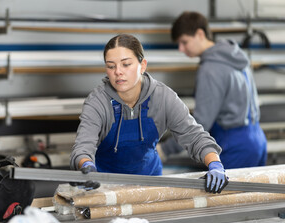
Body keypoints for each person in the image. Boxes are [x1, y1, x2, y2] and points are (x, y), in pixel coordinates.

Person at [70, 34, 228, 193]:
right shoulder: (97, 102)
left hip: (150, 182)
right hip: (104, 185)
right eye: (111, 66)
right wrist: (87, 168)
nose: (118, 72)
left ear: (142, 65)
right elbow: (83, 147)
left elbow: (194, 136)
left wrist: (215, 164)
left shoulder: (163, 97)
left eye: (126, 64)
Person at [158, 11, 267, 169]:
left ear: (200, 34)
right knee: (256, 194)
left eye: (184, 42)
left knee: (222, 193)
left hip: (234, 145)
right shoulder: (235, 56)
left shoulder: (210, 68)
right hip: (257, 139)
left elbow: (201, 124)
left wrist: (165, 149)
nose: (181, 49)